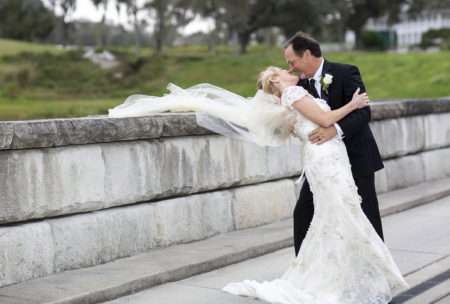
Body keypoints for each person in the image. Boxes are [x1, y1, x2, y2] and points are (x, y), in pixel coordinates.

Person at [221, 66, 408, 303]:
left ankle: (341, 277)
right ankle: (344, 280)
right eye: (281, 68)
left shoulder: (288, 99)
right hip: (326, 159)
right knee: (342, 215)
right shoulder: (290, 94)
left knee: (335, 216)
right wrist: (353, 104)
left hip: (328, 156)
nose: (288, 68)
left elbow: (304, 127)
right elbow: (324, 119)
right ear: (276, 79)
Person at [283, 32, 385, 256]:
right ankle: (302, 268)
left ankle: (381, 272)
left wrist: (334, 131)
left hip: (357, 157)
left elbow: (363, 112)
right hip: (324, 164)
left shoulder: (346, 72)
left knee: (367, 214)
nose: (291, 68)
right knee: (303, 212)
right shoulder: (298, 87)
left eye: (292, 62)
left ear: (307, 54)